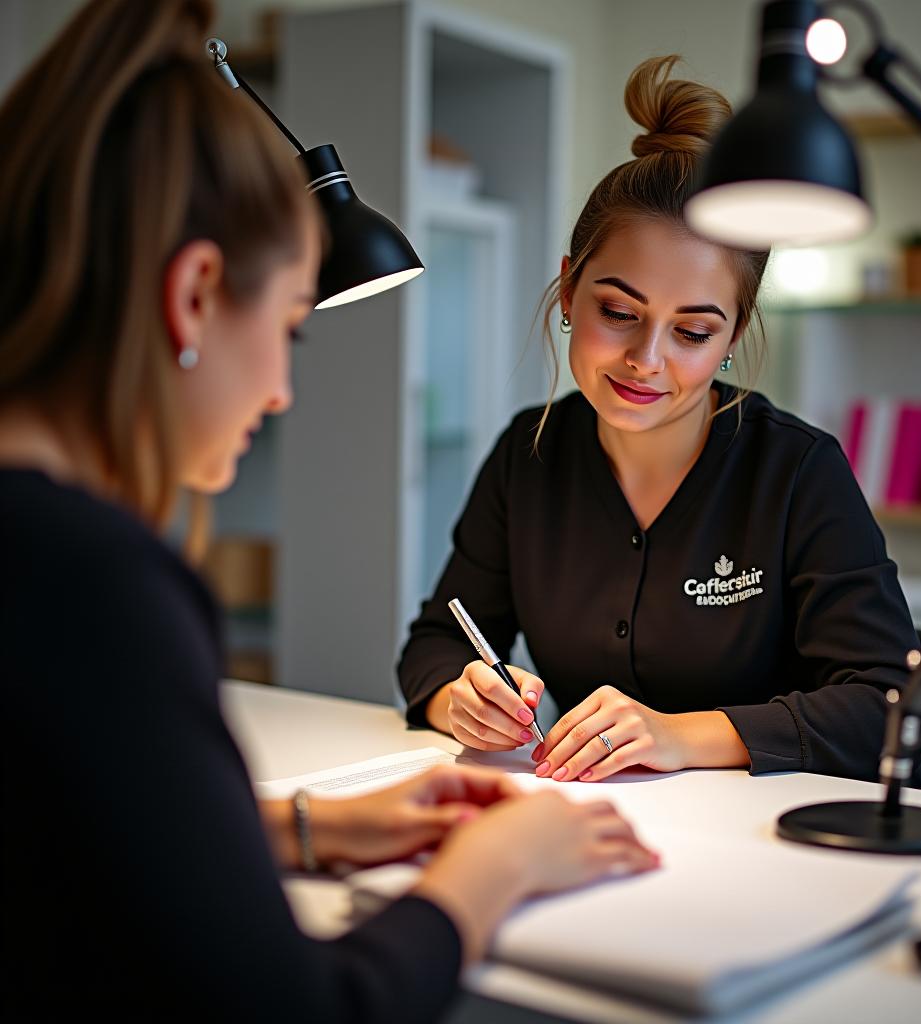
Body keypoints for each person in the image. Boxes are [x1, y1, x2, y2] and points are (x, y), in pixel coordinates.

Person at [0, 1, 658, 1019]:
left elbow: (57, 832)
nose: (279, 393)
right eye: (291, 330)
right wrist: (493, 870)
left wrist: (305, 827)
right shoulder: (90, 582)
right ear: (194, 296)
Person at [399, 55, 921, 787]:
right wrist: (459, 698)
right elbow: (435, 640)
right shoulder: (529, 455)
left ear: (734, 335)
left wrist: (677, 736)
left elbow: (889, 706)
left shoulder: (796, 471)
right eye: (618, 312)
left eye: (692, 332)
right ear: (567, 289)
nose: (645, 359)